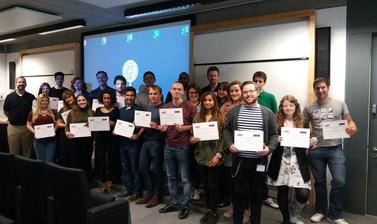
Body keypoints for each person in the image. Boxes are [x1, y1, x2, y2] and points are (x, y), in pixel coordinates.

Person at [223, 80, 278, 224]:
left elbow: (274, 135)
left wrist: (269, 149)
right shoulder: (234, 111)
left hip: (259, 162)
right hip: (240, 161)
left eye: (251, 91)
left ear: (257, 92)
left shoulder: (267, 113)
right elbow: (226, 129)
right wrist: (229, 145)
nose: (248, 94)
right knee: (238, 195)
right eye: (245, 92)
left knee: (257, 195)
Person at [304, 77, 358, 224]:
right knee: (320, 182)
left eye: (323, 87)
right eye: (317, 88)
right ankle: (320, 210)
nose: (320, 90)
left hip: (335, 149)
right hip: (316, 151)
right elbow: (302, 128)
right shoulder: (309, 108)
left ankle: (334, 214)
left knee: (339, 181)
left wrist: (353, 127)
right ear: (314, 90)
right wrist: (307, 140)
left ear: (328, 87)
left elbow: (349, 120)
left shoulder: (340, 103)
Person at [268, 95, 314, 224]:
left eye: (291, 105)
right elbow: (269, 138)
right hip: (281, 161)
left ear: (296, 107)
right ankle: (286, 220)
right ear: (281, 107)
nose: (288, 108)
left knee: (303, 194)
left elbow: (308, 139)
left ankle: (294, 214)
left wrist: (312, 141)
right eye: (285, 105)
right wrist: (275, 140)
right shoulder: (275, 121)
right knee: (282, 192)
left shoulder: (303, 121)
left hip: (298, 162)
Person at [158, 82, 197, 220]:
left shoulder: (190, 106)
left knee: (185, 179)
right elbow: (163, 127)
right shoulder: (165, 107)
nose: (176, 91)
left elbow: (196, 125)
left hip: (183, 146)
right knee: (170, 177)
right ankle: (174, 203)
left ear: (183, 91)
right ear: (170, 90)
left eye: (179, 89)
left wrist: (185, 128)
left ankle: (186, 206)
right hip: (168, 146)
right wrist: (161, 128)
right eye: (174, 89)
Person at [190, 91, 225, 224]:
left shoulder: (220, 116)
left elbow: (223, 139)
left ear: (214, 101)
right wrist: (191, 139)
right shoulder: (197, 117)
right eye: (205, 100)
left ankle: (214, 212)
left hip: (214, 157)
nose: (207, 102)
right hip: (201, 157)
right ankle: (209, 210)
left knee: (213, 186)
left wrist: (218, 155)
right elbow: (192, 135)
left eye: (210, 100)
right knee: (205, 186)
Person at [253, 71, 279, 210]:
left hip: (265, 141)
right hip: (249, 140)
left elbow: (275, 118)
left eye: (260, 81)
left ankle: (264, 196)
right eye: (255, 81)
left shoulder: (270, 97)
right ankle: (256, 195)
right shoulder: (249, 97)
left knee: (262, 170)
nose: (257, 84)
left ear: (264, 82)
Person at [136, 85, 165, 208]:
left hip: (157, 142)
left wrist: (157, 126)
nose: (153, 96)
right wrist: (137, 128)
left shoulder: (164, 109)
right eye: (151, 94)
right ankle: (148, 193)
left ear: (160, 95)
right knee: (142, 168)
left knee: (157, 170)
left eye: (155, 93)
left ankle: (156, 196)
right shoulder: (147, 108)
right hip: (146, 141)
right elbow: (144, 125)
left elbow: (167, 127)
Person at [219, 80, 244, 219]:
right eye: (232, 91)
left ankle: (245, 210)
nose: (234, 93)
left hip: (244, 147)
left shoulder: (246, 105)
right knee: (231, 181)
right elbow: (221, 125)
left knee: (242, 181)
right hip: (228, 147)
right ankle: (233, 206)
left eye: (237, 90)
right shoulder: (225, 106)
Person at [118, 86, 144, 200]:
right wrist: (116, 132)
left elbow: (144, 126)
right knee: (125, 168)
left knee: (134, 168)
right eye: (127, 95)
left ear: (135, 97)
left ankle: (137, 192)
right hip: (123, 144)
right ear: (125, 96)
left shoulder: (139, 110)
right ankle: (129, 189)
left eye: (132, 95)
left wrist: (138, 135)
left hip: (134, 144)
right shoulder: (121, 110)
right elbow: (120, 125)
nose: (129, 97)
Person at [3, 76, 35, 157]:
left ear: (26, 84)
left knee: (27, 153)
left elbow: (35, 112)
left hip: (26, 128)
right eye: (19, 82)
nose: (21, 84)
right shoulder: (9, 97)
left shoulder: (31, 97)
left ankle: (26, 169)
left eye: (23, 82)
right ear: (16, 84)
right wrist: (13, 118)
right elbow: (6, 111)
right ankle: (15, 169)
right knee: (13, 153)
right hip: (13, 128)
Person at [94, 89, 120, 193]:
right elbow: (95, 124)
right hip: (100, 138)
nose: (107, 100)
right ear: (102, 99)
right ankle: (103, 180)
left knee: (112, 160)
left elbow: (120, 124)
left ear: (112, 99)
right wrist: (94, 140)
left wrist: (113, 124)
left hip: (112, 139)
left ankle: (110, 181)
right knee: (101, 160)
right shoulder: (97, 110)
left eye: (109, 98)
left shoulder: (116, 110)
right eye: (105, 98)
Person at [65, 94, 94, 179]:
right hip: (74, 141)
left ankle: (87, 183)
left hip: (87, 141)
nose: (81, 102)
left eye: (83, 100)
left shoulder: (92, 112)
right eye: (79, 100)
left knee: (87, 162)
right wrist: (67, 133)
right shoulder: (72, 112)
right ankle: (77, 183)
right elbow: (67, 125)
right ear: (76, 102)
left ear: (87, 101)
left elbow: (96, 127)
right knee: (75, 162)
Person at [26, 94, 57, 162]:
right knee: (40, 160)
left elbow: (56, 123)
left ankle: (49, 173)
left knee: (49, 160)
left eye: (46, 101)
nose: (44, 102)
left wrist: (54, 131)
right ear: (39, 102)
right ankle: (41, 173)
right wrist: (35, 132)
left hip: (51, 141)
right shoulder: (33, 112)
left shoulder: (52, 112)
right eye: (42, 100)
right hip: (39, 141)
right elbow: (28, 125)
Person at [56, 90, 76, 166]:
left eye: (69, 97)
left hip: (77, 135)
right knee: (65, 156)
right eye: (66, 98)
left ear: (73, 96)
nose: (68, 99)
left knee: (75, 156)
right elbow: (58, 124)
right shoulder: (62, 110)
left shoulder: (79, 107)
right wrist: (68, 125)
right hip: (65, 136)